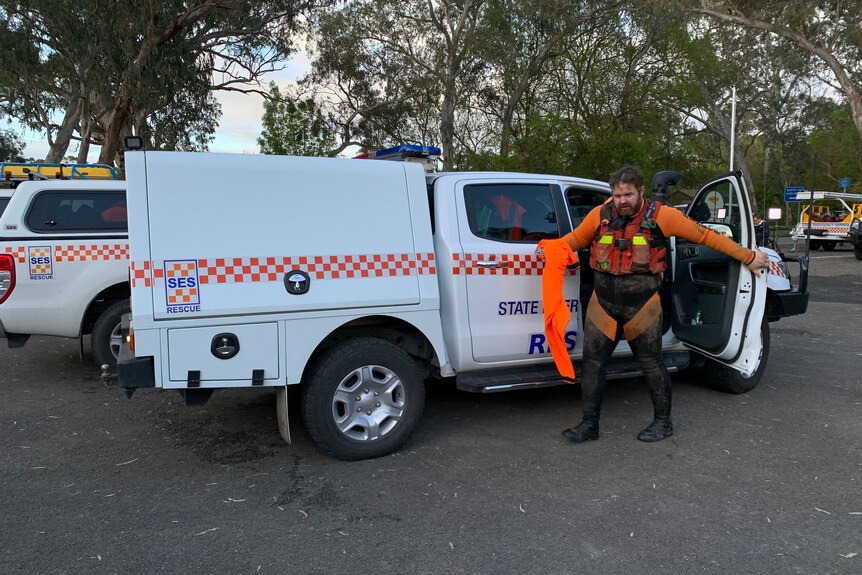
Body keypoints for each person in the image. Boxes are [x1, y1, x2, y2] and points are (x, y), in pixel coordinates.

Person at [542, 166, 769, 443]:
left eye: (627, 194)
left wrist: (747, 256)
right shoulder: (599, 215)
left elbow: (706, 237)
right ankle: (589, 424)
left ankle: (663, 423)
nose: (622, 200)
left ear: (640, 191)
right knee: (592, 364)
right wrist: (550, 249)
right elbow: (574, 241)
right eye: (616, 195)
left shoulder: (663, 215)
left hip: (643, 305)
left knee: (651, 363)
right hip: (603, 304)